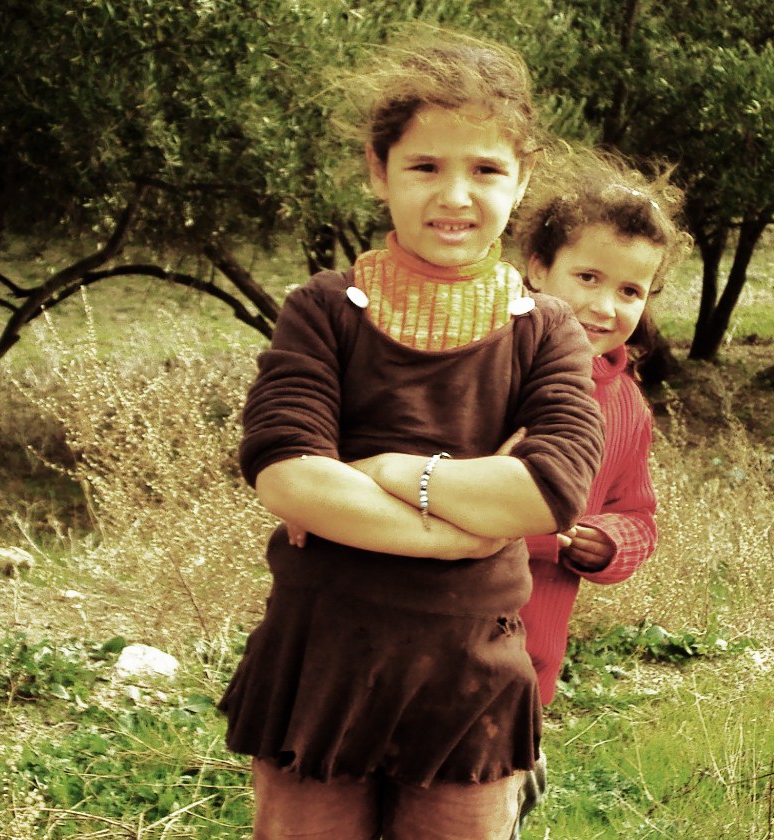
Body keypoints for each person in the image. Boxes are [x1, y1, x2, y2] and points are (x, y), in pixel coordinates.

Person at [218, 30, 604, 840]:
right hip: (319, 662)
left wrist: (382, 469)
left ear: (523, 177)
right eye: (425, 167)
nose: (455, 196)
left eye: (486, 169)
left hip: (473, 676)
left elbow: (547, 488)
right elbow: (287, 474)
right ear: (378, 169)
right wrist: (457, 536)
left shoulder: (548, 331)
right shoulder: (321, 310)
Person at [505, 152, 692, 828]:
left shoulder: (626, 406)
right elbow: (443, 489)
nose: (603, 306)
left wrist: (603, 541)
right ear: (537, 267)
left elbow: (638, 516)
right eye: (586, 276)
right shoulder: (489, 369)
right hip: (426, 644)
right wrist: (543, 532)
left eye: (630, 291)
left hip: (523, 670)